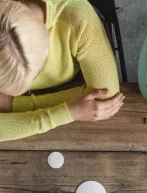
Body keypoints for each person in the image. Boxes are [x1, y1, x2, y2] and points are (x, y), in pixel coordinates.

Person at [0, 0, 125, 143]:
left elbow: (104, 97)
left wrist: (12, 104)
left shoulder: (76, 17)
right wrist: (70, 111)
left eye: (34, 75)